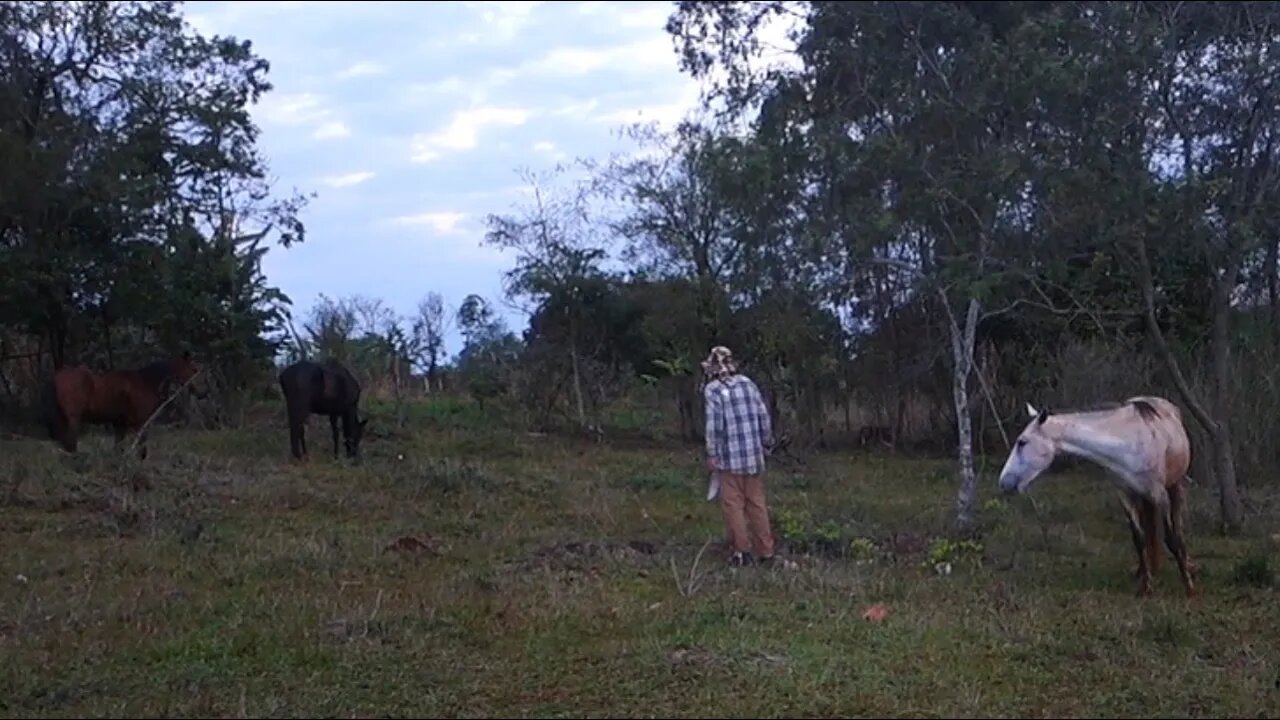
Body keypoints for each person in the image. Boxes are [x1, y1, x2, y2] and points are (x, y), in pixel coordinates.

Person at [701, 345, 776, 566]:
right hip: (753, 456)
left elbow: (714, 426)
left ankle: (742, 552)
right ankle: (766, 552)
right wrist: (766, 443)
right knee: (757, 504)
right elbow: (763, 416)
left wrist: (712, 454)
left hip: (729, 459)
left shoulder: (712, 390)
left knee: (733, 506)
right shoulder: (748, 383)